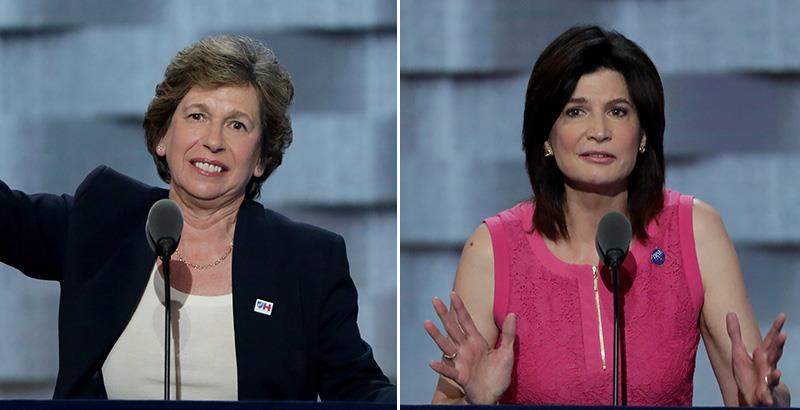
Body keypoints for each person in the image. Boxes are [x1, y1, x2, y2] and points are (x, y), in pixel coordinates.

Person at [0, 34, 394, 402]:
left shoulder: (306, 260)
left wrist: (449, 394)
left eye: (237, 125)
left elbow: (358, 388)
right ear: (162, 136)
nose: (214, 140)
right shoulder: (103, 218)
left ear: (260, 158)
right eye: (197, 116)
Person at [424, 25, 789, 406]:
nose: (599, 131)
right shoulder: (492, 250)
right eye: (575, 111)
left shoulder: (696, 232)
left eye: (617, 111)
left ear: (643, 134)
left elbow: (755, 388)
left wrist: (767, 399)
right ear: (546, 137)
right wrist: (476, 402)